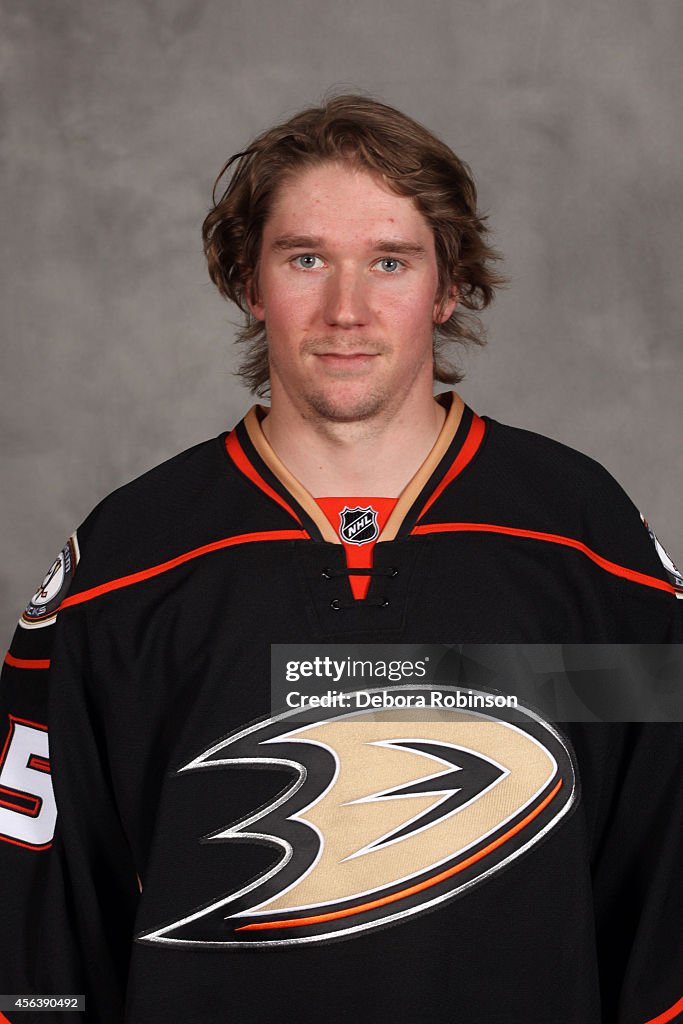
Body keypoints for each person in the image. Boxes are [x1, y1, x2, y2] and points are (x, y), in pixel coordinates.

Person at [0, 95, 681, 1024]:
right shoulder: (129, 565)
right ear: (251, 282)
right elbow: (43, 928)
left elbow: (659, 874)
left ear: (445, 287)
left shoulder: (580, 547)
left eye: (389, 262)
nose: (345, 310)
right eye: (306, 258)